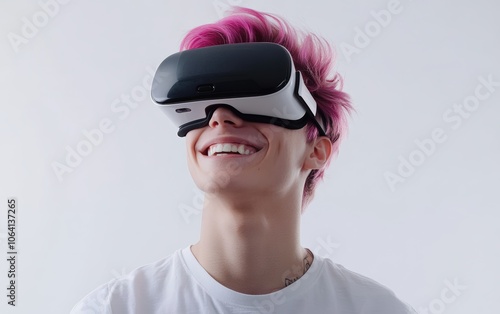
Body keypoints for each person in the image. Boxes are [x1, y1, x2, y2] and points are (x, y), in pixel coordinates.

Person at [71, 7, 417, 313]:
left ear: (316, 151)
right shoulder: (115, 308)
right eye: (205, 104)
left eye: (256, 99)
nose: (220, 117)